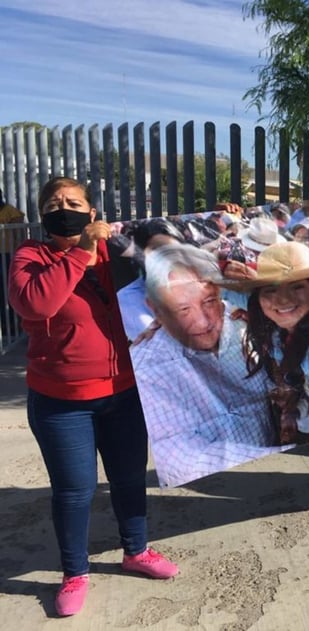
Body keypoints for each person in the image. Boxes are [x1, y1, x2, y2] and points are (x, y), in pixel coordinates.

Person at [7, 177, 178, 617]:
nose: (64, 208)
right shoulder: (32, 257)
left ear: (93, 213)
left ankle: (136, 551)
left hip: (122, 393)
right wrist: (80, 252)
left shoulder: (115, 251)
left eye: (74, 202)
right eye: (54, 203)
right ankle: (74, 572)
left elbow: (179, 255)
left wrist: (223, 220)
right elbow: (37, 305)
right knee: (74, 491)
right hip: (60, 402)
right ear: (42, 215)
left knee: (128, 479)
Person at [130, 242, 282, 487]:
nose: (202, 323)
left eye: (209, 301)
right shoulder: (146, 365)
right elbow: (178, 460)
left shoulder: (246, 323)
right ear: (155, 309)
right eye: (182, 309)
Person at [220, 242, 309, 445]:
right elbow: (213, 287)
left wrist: (298, 415)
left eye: (297, 286)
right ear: (258, 299)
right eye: (270, 290)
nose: (283, 300)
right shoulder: (273, 324)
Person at [0, 187, 26, 336]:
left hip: (7, 255)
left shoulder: (10, 211)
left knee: (8, 292)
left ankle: (15, 326)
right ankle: (6, 327)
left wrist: (19, 249)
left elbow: (20, 231)